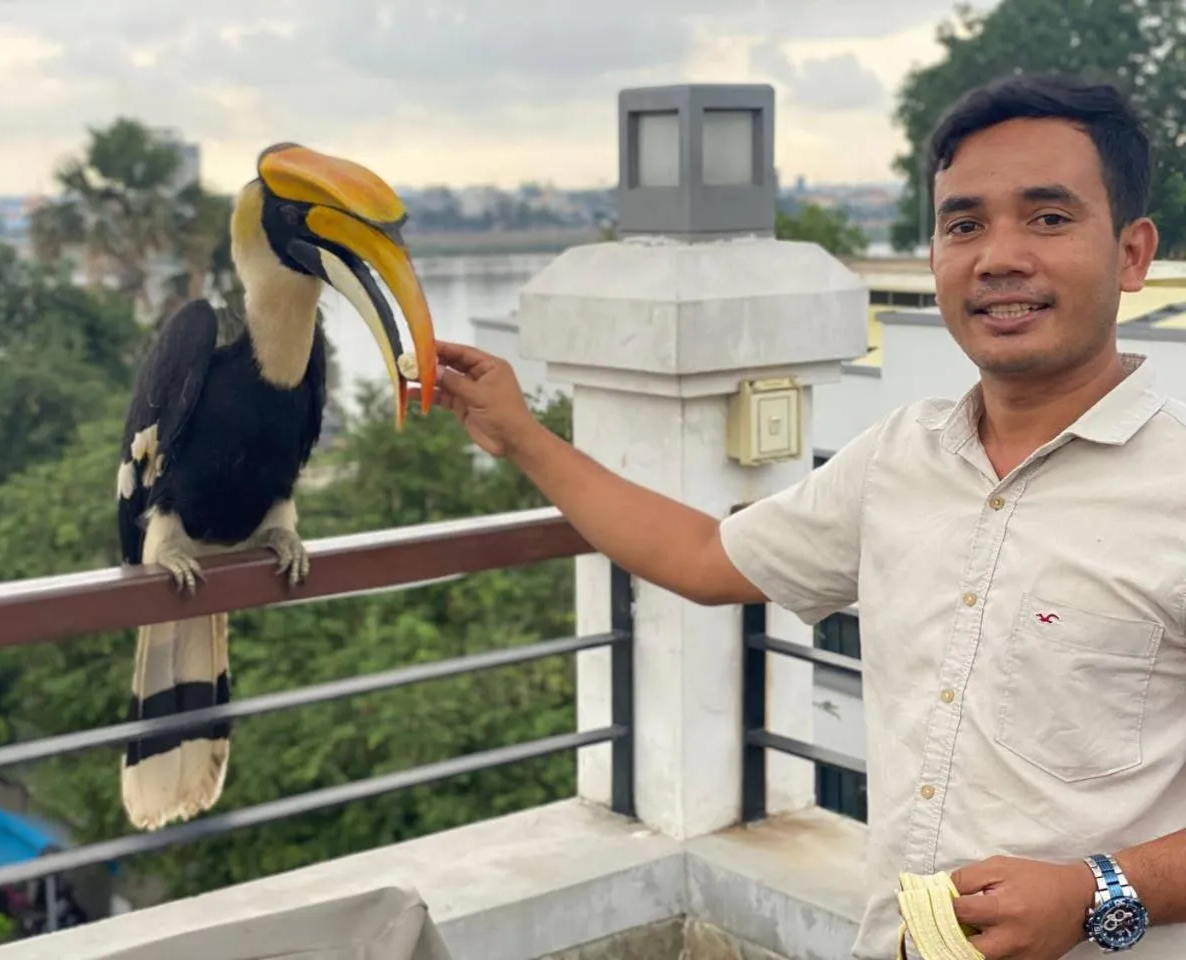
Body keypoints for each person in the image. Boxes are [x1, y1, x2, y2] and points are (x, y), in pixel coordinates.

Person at [421, 73, 1186, 959]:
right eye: (964, 225)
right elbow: (703, 557)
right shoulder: (901, 457)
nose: (998, 257)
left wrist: (1097, 892)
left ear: (1132, 255)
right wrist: (522, 436)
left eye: (1048, 218)